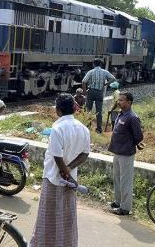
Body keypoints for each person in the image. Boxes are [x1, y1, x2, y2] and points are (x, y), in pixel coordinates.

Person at [29, 93, 90, 247]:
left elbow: (57, 155)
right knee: (66, 217)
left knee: (47, 217)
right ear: (75, 108)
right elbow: (85, 154)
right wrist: (69, 169)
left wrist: (64, 170)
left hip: (53, 178)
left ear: (57, 110)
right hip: (70, 181)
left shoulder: (57, 128)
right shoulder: (83, 128)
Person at [108, 92, 143, 216]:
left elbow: (138, 136)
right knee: (117, 178)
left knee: (125, 181)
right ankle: (118, 202)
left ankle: (125, 207)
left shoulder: (132, 117)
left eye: (122, 100)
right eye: (119, 100)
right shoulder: (121, 115)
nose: (119, 102)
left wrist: (135, 143)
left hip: (126, 153)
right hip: (117, 151)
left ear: (129, 102)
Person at [82, 59, 116, 134]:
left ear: (94, 64)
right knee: (99, 111)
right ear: (100, 64)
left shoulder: (90, 72)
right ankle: (99, 129)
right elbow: (113, 78)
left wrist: (84, 92)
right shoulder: (104, 72)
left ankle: (88, 126)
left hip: (91, 91)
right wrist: (106, 84)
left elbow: (84, 81)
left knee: (88, 110)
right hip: (99, 92)